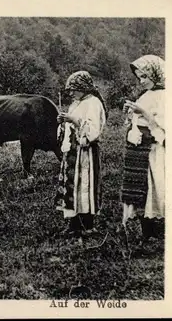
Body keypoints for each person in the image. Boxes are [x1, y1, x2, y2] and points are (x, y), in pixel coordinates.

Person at [54, 71, 107, 242]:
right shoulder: (77, 103)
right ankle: (74, 224)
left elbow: (93, 131)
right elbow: (72, 123)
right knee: (72, 187)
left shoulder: (93, 103)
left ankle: (87, 225)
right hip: (73, 151)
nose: (71, 93)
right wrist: (64, 122)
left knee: (85, 185)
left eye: (74, 89)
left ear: (84, 88)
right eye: (70, 90)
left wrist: (73, 120)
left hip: (86, 152)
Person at [121, 55, 165, 246]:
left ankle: (158, 228)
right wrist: (132, 114)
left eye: (144, 76)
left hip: (154, 149)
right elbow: (138, 120)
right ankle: (146, 229)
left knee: (156, 187)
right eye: (139, 77)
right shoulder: (145, 95)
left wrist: (143, 112)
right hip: (141, 150)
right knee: (142, 188)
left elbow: (163, 127)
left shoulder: (165, 96)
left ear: (155, 74)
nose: (141, 81)